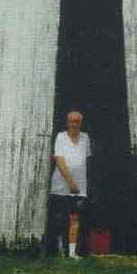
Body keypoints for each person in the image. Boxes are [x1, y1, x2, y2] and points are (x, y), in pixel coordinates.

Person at [49, 109, 91, 259]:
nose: (75, 124)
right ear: (68, 122)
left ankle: (72, 253)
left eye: (78, 121)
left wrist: (79, 183)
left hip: (79, 187)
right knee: (60, 217)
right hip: (61, 186)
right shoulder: (61, 137)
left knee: (75, 218)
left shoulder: (85, 138)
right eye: (72, 121)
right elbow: (59, 161)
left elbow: (85, 160)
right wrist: (70, 181)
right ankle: (60, 249)